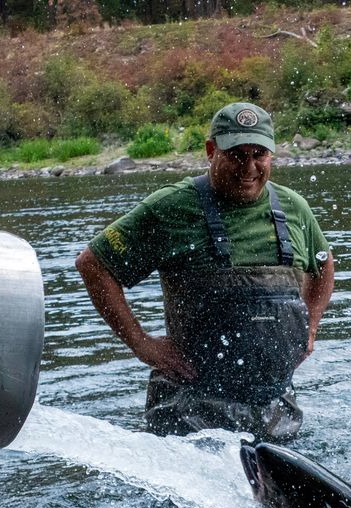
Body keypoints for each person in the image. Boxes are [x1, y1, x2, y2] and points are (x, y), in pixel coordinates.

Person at [76, 102, 334, 442]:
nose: (249, 167)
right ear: (212, 150)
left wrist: (310, 329)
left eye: (259, 154)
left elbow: (324, 264)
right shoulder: (170, 207)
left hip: (274, 408)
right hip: (189, 412)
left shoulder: (293, 208)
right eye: (236, 155)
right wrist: (142, 344)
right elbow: (93, 264)